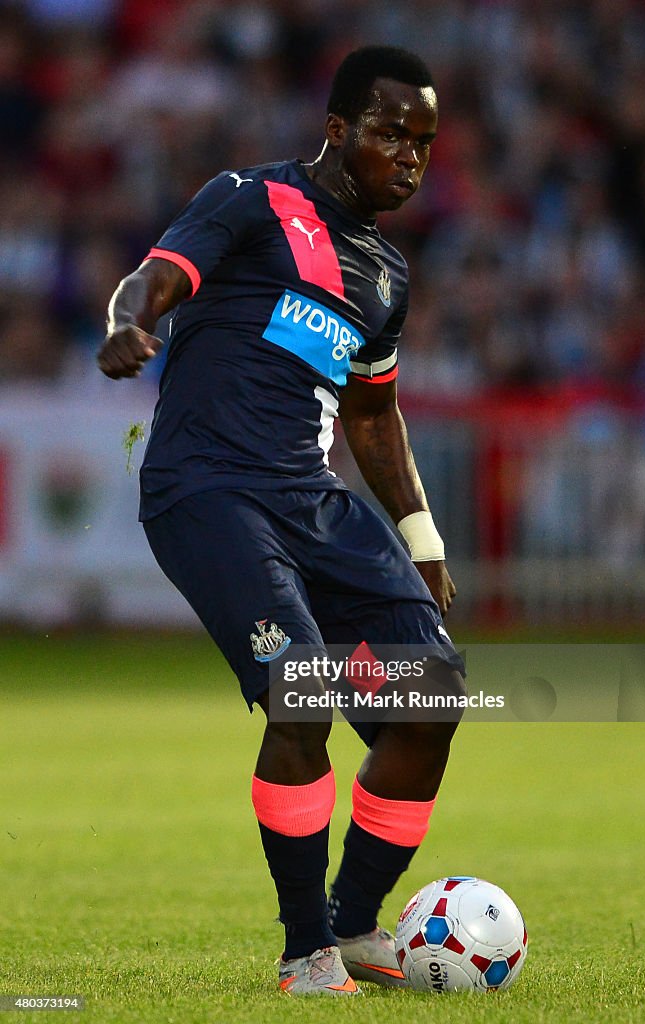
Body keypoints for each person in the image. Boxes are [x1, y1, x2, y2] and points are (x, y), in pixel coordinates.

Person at [98, 45, 466, 996]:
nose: (411, 158)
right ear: (338, 131)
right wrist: (127, 322)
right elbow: (156, 275)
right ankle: (304, 953)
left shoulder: (384, 272)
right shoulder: (251, 200)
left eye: (424, 141)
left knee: (430, 698)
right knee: (302, 694)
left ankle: (352, 930)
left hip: (309, 496)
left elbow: (373, 414)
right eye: (392, 134)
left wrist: (420, 539)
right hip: (207, 487)